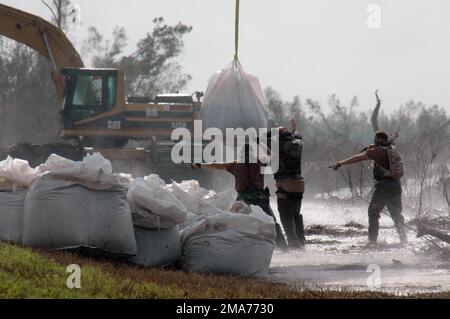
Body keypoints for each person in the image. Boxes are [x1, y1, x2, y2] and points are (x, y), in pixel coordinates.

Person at [192, 143, 288, 250]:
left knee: (235, 224)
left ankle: (236, 247)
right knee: (272, 222)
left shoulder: (236, 165)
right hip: (259, 198)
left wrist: (200, 164)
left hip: (243, 199)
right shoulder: (259, 162)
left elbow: (217, 165)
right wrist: (259, 143)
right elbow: (271, 154)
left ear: (241, 154)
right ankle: (284, 247)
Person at [329, 129, 408, 246]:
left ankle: (372, 241)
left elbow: (357, 158)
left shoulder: (377, 152)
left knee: (373, 212)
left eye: (375, 138)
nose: (374, 140)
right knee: (396, 215)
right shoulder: (392, 149)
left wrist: (340, 163)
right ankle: (404, 240)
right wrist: (371, 147)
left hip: (384, 186)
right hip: (396, 185)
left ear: (380, 139)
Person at [273, 119, 306, 248]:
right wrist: (293, 129)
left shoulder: (277, 146)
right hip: (299, 184)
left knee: (285, 215)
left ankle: (293, 244)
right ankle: (301, 242)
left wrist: (274, 132)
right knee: (296, 214)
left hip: (285, 185)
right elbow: (296, 135)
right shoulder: (298, 143)